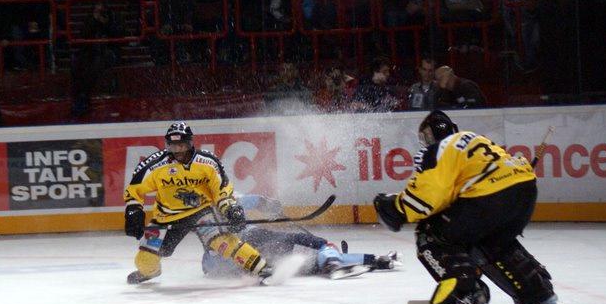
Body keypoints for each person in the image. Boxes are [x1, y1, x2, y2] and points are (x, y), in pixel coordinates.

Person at [373, 109, 558, 304]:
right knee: (490, 239)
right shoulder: (474, 139)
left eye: (426, 136)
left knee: (430, 233)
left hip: (489, 198)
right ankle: (536, 290)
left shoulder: (438, 150)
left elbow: (425, 199)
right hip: (524, 192)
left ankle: (465, 295)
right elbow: (452, 195)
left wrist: (395, 208)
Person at [123, 122, 271, 284]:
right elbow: (134, 189)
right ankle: (150, 272)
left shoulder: (207, 162)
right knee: (145, 260)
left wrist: (231, 208)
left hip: (201, 211)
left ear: (190, 143)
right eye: (172, 146)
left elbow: (221, 189)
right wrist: (133, 211)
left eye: (181, 145)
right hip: (166, 217)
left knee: (223, 242)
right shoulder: (155, 165)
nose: (177, 151)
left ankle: (262, 268)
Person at [202, 194, 400, 279]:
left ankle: (375, 260)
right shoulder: (220, 195)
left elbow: (209, 266)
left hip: (238, 258)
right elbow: (253, 200)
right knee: (315, 243)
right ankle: (333, 262)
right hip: (250, 240)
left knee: (310, 261)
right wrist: (270, 205)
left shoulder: (200, 207)